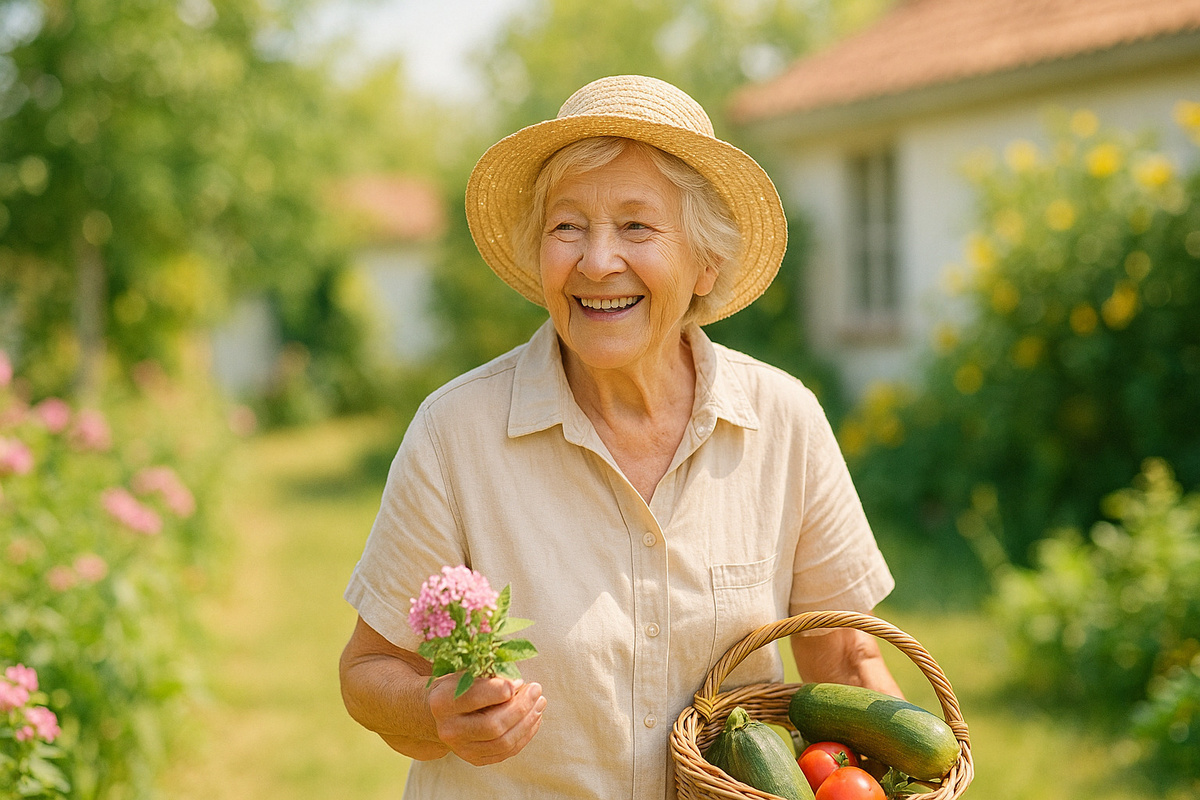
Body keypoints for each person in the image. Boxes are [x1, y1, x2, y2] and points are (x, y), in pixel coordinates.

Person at [339, 74, 902, 800]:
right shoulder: (456, 434)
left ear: (706, 264)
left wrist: (911, 774)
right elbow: (368, 671)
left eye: (637, 227)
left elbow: (846, 660)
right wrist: (434, 712)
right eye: (567, 226)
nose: (597, 262)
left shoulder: (783, 420)